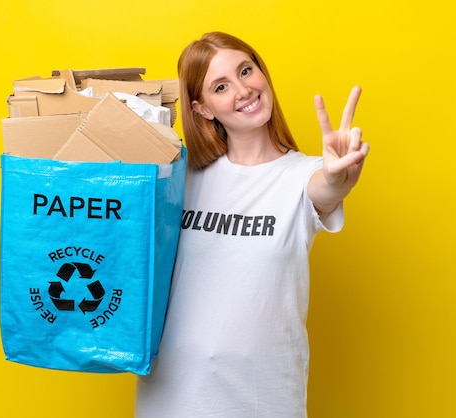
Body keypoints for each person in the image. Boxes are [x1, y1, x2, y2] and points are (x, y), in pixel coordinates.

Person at [135, 31, 369, 418]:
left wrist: (336, 178)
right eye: (221, 86)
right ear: (203, 108)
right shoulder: (178, 176)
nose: (243, 90)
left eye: (246, 70)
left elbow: (323, 190)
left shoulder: (304, 175)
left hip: (263, 398)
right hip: (173, 394)